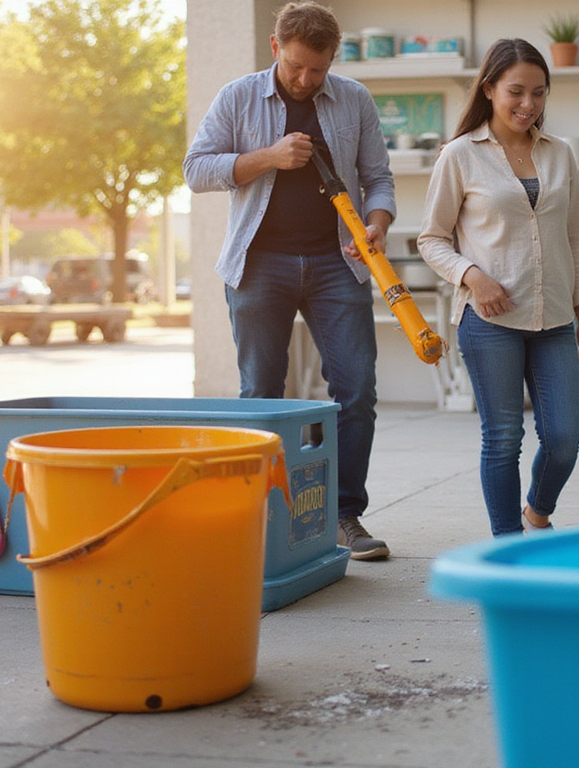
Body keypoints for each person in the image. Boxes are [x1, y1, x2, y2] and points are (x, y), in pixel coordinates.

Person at [183, 1, 393, 560]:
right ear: (276, 48)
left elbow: (378, 179)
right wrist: (268, 157)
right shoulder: (237, 97)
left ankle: (344, 516)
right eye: (296, 66)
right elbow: (196, 170)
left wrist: (376, 223)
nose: (305, 80)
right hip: (258, 264)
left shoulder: (355, 99)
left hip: (338, 265)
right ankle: (263, 516)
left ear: (332, 60)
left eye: (317, 70)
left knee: (356, 390)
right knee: (261, 394)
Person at [417, 38, 579, 537]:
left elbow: (575, 239)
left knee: (564, 439)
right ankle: (507, 546)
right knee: (502, 439)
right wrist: (472, 276)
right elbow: (431, 239)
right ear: (489, 89)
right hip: (489, 322)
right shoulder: (460, 155)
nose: (528, 104)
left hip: (555, 317)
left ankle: (537, 511)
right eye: (516, 91)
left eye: (538, 93)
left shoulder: (560, 154)